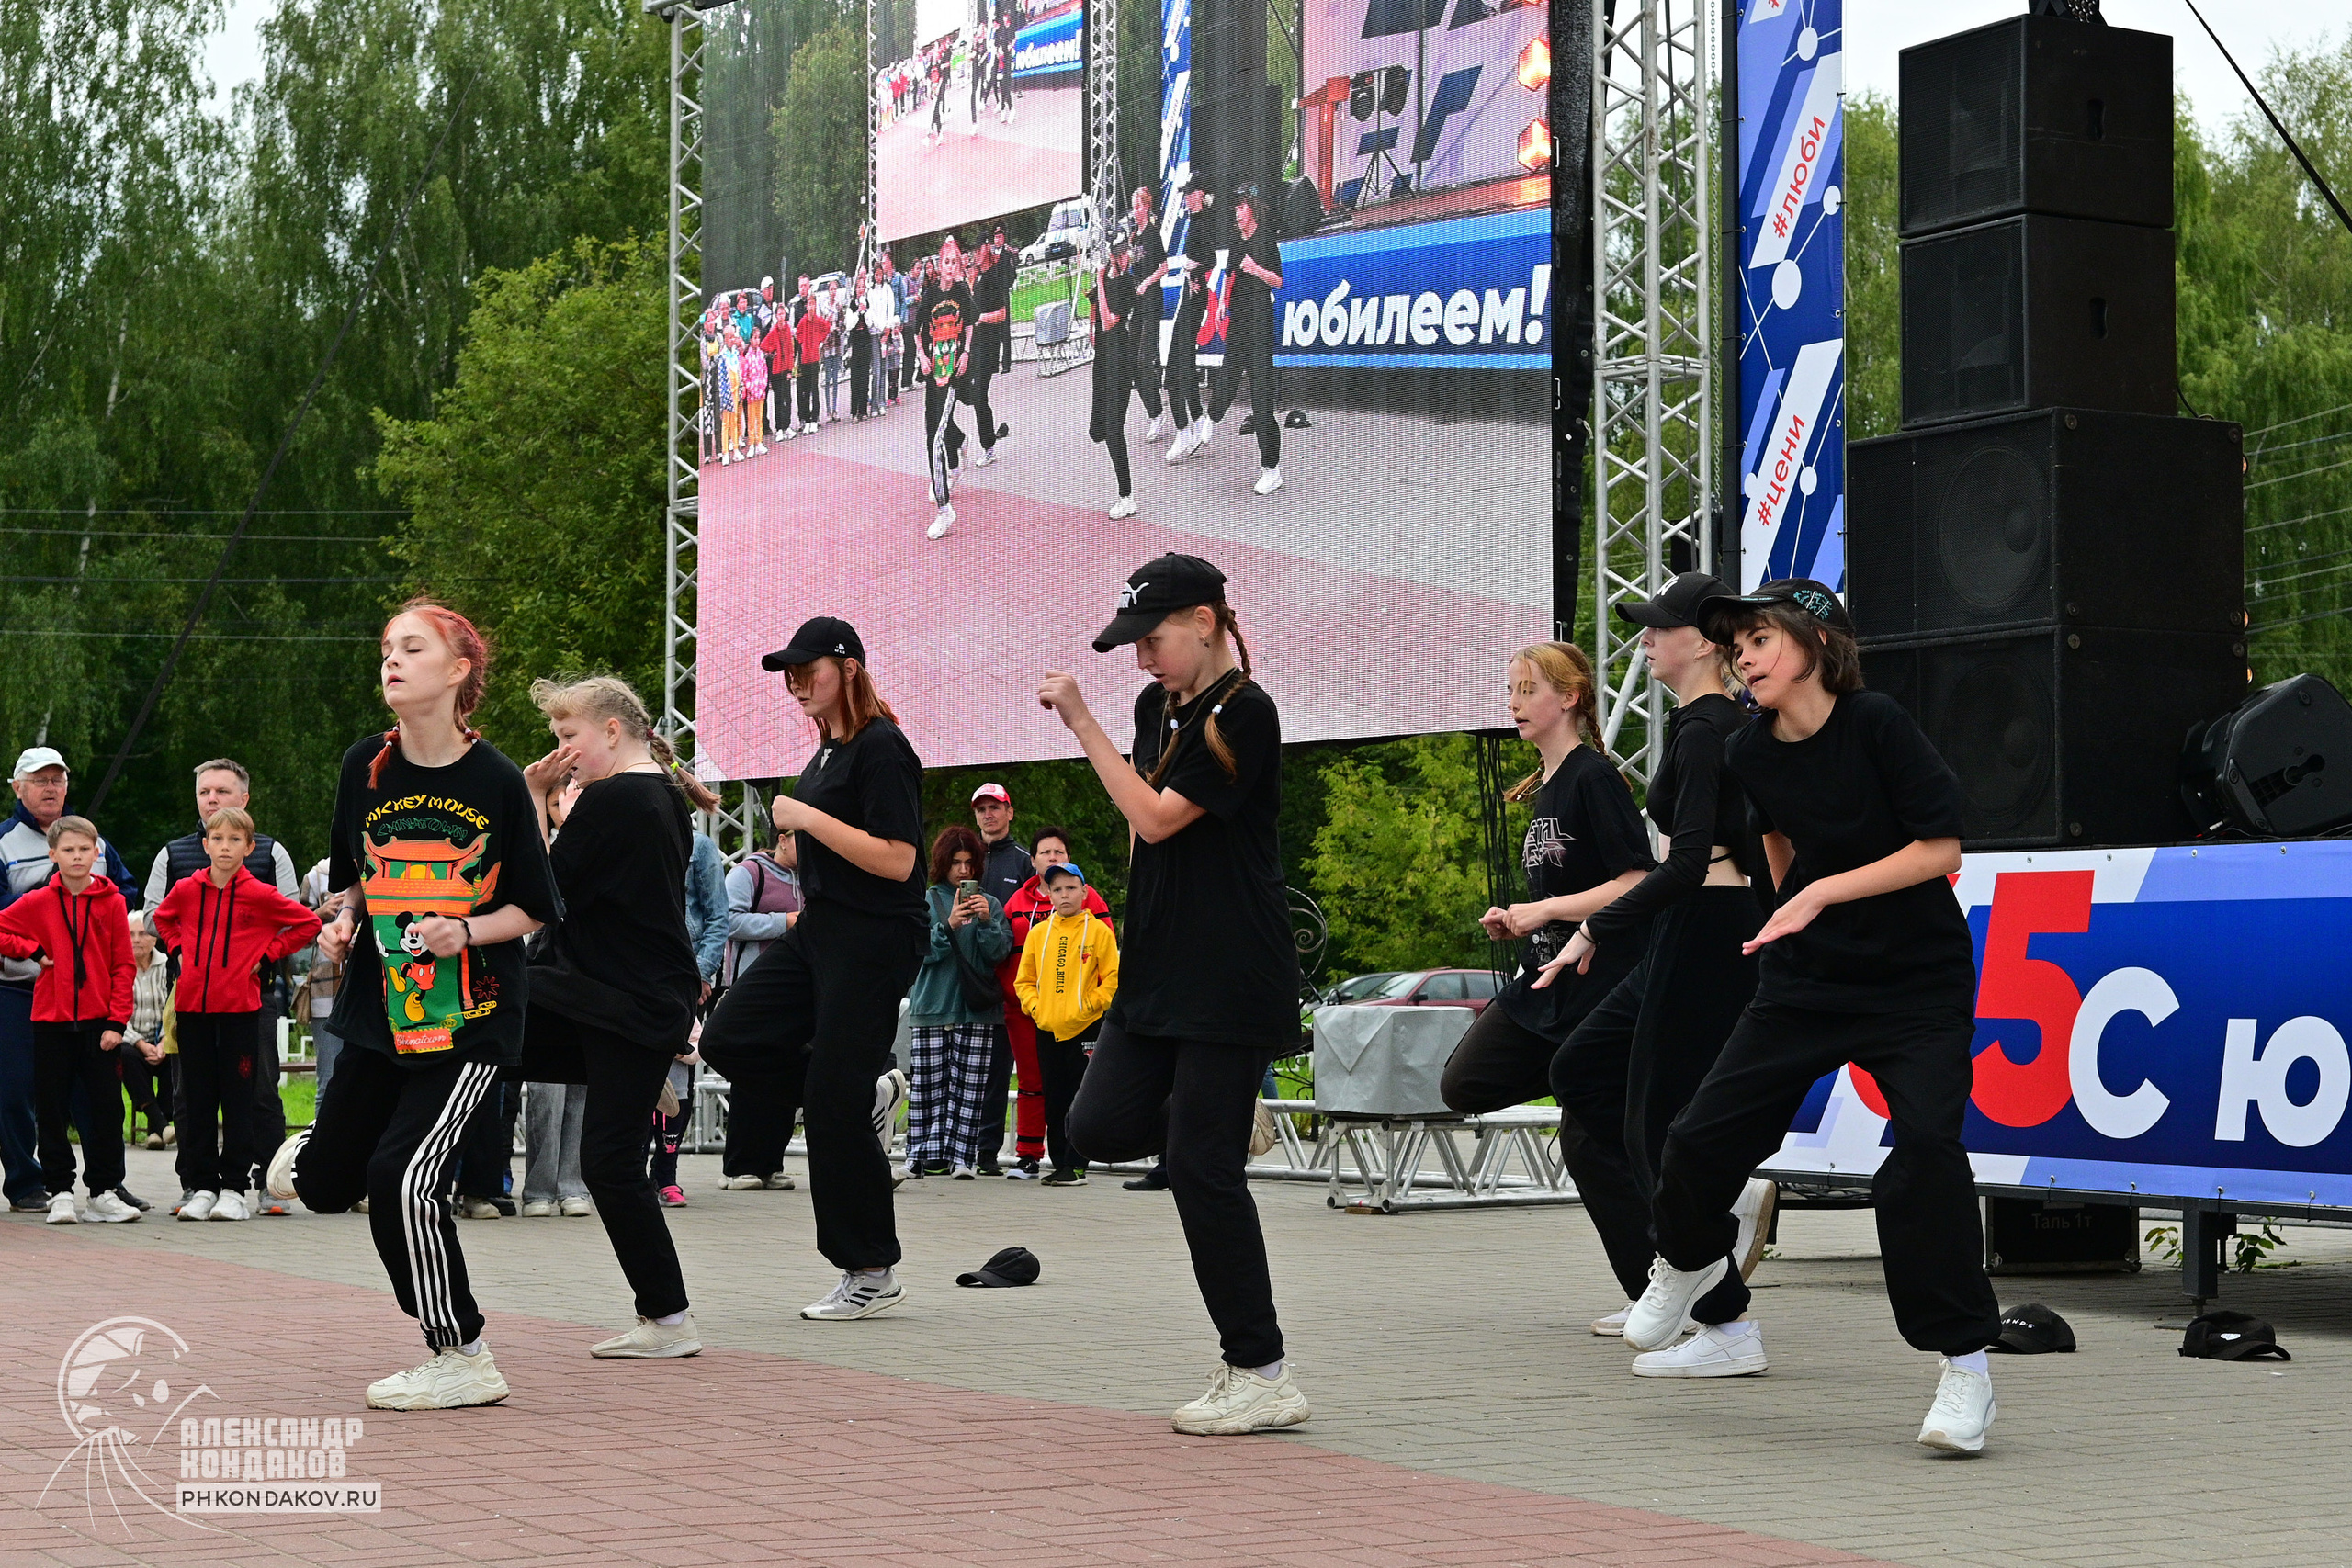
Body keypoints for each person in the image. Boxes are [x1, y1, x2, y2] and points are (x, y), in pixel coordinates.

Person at [1623, 579, 2003, 1453]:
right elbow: (1775, 839)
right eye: (1738, 646)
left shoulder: (1876, 724)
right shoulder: (1748, 749)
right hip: (1809, 981)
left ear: (1817, 644)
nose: (1744, 658)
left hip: (1916, 984)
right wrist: (1788, 909)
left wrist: (1821, 891)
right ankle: (1686, 1261)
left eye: (1760, 640)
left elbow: (1941, 848)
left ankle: (1966, 1370)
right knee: (1697, 1139)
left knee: (1926, 1159)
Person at [1039, 553, 1310, 1436]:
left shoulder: (1247, 712)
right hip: (1161, 964)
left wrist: (1081, 722)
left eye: (1152, 638)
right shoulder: (1155, 707)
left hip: (1231, 968)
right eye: (1133, 644)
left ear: (1205, 620)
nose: (1143, 657)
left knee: (1199, 1170)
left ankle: (1261, 1371)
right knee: (1095, 1126)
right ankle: (1219, 1117)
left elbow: (1159, 816)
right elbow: (1139, 828)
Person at [274, 601, 561, 1411]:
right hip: (378, 1010)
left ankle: (461, 1352)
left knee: (403, 1179)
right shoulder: (364, 765)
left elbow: (533, 908)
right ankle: (318, 1146)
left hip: (471, 1018)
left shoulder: (497, 780)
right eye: (386, 650)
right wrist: (342, 922)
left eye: (411, 648)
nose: (391, 661)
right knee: (325, 1184)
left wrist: (462, 930)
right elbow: (357, 881)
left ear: (458, 670)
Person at [1532, 573, 1776, 1346]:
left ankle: (1719, 1307)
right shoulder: (1709, 722)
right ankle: (1692, 1240)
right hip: (1689, 924)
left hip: (1705, 926)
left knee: (1652, 1124)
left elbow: (1688, 861)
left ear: (1702, 642)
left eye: (1659, 626)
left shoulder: (1708, 728)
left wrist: (1595, 927)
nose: (1645, 638)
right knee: (1581, 1072)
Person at [697, 617, 928, 1320]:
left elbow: (900, 860)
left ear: (849, 668)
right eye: (790, 675)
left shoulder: (882, 745)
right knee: (727, 1037)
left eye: (809, 670)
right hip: (820, 927)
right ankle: (857, 1094)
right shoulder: (829, 748)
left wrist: (807, 817)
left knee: (832, 1102)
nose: (797, 684)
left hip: (875, 936)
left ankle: (871, 1269)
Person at [1434, 642, 1653, 1274]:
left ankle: (1656, 1285)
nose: (1514, 703)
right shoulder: (1548, 786)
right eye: (1511, 690)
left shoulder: (1592, 777)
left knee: (1588, 1146)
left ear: (1571, 697)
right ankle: (1671, 1167)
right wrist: (1519, 917)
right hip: (1545, 981)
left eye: (1528, 689)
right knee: (1464, 1083)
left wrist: (1547, 910)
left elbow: (1637, 880)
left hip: (1600, 983)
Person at [513, 675, 708, 1359]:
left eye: (569, 736)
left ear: (613, 731)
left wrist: (533, 796)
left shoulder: (616, 797)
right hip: (616, 1000)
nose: (562, 752)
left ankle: (670, 1320)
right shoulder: (661, 794)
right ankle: (639, 1078)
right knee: (488, 1039)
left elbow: (539, 889)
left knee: (608, 1162)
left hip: (623, 1004)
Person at [144, 758, 303, 1214]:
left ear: (244, 799)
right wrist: (181, 950)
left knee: (258, 1090)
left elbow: (295, 917)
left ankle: (266, 1185)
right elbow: (154, 916)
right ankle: (196, 1185)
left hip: (252, 997)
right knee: (189, 1094)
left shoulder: (270, 853)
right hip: (190, 996)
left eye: (222, 791)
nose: (211, 799)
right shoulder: (174, 856)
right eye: (204, 792)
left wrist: (261, 955)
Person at [2, 746, 139, 1213]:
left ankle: (106, 1187)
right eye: (39, 780)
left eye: (57, 779)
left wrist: (92, 922)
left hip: (95, 1002)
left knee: (100, 1100)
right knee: (23, 1094)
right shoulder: (4, 843)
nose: (50, 788)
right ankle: (33, 1184)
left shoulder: (92, 842)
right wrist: (37, 940)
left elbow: (124, 893)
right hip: (23, 993)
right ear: (18, 787)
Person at [999, 824, 1113, 1179]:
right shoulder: (1038, 934)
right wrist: (1037, 1009)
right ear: (1048, 894)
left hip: (1085, 1027)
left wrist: (1091, 1006)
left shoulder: (1098, 931)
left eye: (1071, 888)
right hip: (1047, 1027)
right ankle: (1059, 1161)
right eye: (1057, 889)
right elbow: (1024, 980)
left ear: (1084, 892)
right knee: (1054, 1097)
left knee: (1082, 1096)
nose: (1064, 895)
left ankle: (1077, 1163)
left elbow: (1112, 977)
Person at [901, 826, 1012, 1179]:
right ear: (942, 863)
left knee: (970, 1090)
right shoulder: (927, 900)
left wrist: (985, 921)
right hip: (931, 1006)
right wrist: (948, 924)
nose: (963, 870)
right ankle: (917, 1157)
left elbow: (998, 953)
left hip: (976, 1010)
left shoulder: (990, 904)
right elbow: (919, 953)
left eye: (969, 863)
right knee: (926, 1089)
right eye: (955, 863)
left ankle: (962, 1158)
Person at [717, 831, 801, 1190]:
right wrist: (784, 921)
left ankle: (770, 1164)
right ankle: (738, 1166)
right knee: (749, 1078)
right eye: (803, 839)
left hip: (793, 996)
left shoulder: (812, 880)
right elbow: (727, 921)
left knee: (783, 1077)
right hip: (750, 993)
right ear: (783, 839)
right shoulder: (750, 872)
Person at [1201, 182, 1285, 496]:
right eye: (1235, 208)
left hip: (1260, 319)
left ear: (1252, 208)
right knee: (1229, 371)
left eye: (1240, 207)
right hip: (1238, 316)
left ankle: (1271, 470)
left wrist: (1255, 268)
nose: (1236, 213)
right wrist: (1223, 303)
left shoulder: (1266, 240)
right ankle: (1211, 417)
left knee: (1261, 399)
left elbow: (1278, 280)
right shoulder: (1237, 242)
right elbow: (1229, 276)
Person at [968, 782, 1034, 1175]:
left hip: (1007, 984)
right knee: (961, 1066)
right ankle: (955, 1148)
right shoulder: (964, 858)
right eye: (982, 809)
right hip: (965, 978)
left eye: (995, 807)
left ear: (1010, 812)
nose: (988, 814)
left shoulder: (1025, 862)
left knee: (997, 1070)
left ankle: (987, 1151)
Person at [1090, 221, 1154, 519]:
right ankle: (1124, 492)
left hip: (1121, 362)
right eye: (1119, 253)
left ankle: (1126, 496)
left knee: (1115, 430)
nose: (1124, 257)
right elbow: (1095, 309)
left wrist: (1101, 282)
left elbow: (1108, 321)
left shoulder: (1126, 285)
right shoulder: (1106, 278)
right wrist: (1090, 328)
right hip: (1102, 363)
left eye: (1125, 252)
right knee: (1097, 431)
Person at [917, 238, 976, 540]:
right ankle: (961, 440)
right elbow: (916, 330)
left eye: (955, 262)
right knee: (932, 433)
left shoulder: (962, 292)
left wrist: (966, 352)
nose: (950, 267)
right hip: (933, 372)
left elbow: (971, 323)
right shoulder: (929, 295)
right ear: (939, 265)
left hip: (953, 373)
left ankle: (944, 509)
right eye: (946, 262)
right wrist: (922, 356)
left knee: (937, 439)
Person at [1161, 175, 1216, 463]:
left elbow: (1212, 259)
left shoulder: (1203, 221)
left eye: (1189, 192)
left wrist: (1194, 273)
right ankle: (1194, 420)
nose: (1185, 197)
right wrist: (1191, 273)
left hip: (1196, 295)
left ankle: (1185, 429)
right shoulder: (1195, 220)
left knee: (1174, 367)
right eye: (1184, 192)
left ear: (1199, 194)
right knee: (1183, 361)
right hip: (1192, 292)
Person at [124, 910, 173, 1150]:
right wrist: (141, 1045)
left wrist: (163, 1042)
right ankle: (160, 1124)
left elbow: (173, 1008)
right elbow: (115, 1013)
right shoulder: (118, 967)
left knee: (177, 1055)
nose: (136, 939)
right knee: (125, 1055)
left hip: (162, 1040)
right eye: (131, 934)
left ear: (154, 938)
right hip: (131, 1043)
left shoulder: (167, 966)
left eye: (142, 934)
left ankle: (156, 1131)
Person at [963, 241, 1011, 469]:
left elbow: (1002, 313)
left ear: (987, 249)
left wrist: (981, 318)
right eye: (973, 251)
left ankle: (988, 446)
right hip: (975, 345)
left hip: (988, 346)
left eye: (978, 249)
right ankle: (990, 435)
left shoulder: (993, 277)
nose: (975, 254)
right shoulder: (979, 277)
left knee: (979, 394)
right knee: (970, 394)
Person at [1128, 187, 1170, 444]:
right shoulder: (1134, 237)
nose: (1135, 211)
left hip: (1152, 302)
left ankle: (1157, 413)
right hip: (1137, 305)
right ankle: (1153, 409)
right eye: (1133, 207)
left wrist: (1146, 283)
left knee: (1145, 360)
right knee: (1131, 363)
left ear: (1146, 207)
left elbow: (1164, 267)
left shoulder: (1153, 235)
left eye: (1138, 206)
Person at [792, 276, 829, 435]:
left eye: (805, 285)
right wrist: (801, 343)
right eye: (801, 286)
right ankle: (804, 418)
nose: (803, 288)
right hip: (802, 355)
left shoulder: (815, 309)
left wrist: (819, 340)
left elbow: (824, 327)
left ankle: (814, 418)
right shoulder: (796, 308)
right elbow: (795, 331)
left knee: (814, 387)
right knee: (802, 388)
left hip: (814, 355)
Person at [846, 269, 876, 423]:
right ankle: (854, 411)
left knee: (865, 377)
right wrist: (858, 312)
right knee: (855, 378)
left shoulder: (868, 303)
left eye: (862, 287)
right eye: (858, 287)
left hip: (865, 340)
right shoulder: (851, 305)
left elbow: (870, 323)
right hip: (855, 341)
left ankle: (863, 410)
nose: (860, 290)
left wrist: (866, 311)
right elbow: (849, 324)